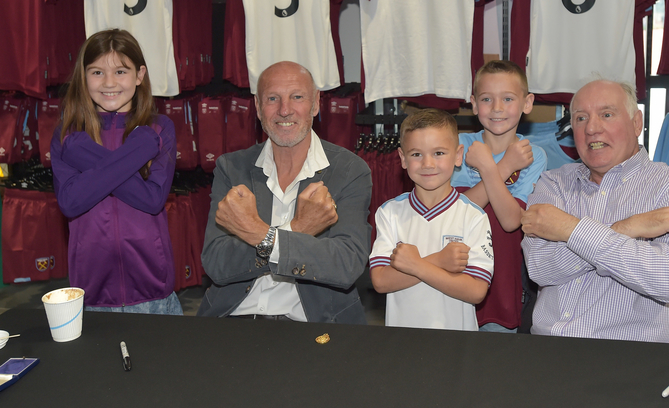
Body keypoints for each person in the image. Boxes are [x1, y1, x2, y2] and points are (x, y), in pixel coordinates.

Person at [521, 78, 669, 344]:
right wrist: (627, 228)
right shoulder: (553, 183)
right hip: (548, 352)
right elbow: (540, 268)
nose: (592, 128)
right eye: (581, 118)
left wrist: (569, 229)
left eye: (607, 114)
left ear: (636, 123)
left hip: (640, 360)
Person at [197, 61, 372, 324]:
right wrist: (300, 228)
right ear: (257, 106)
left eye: (297, 97)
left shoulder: (349, 171)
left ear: (315, 104)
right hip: (234, 317)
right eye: (272, 98)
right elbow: (216, 262)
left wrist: (257, 234)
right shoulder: (231, 168)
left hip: (314, 324)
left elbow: (346, 265)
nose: (285, 110)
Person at [51, 29, 181, 314]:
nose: (109, 83)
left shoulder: (159, 129)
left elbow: (152, 199)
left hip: (153, 293)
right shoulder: (68, 134)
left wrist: (85, 155)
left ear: (139, 74)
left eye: (121, 71)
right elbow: (71, 202)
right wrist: (138, 151)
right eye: (97, 72)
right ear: (83, 77)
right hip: (91, 295)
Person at [369, 108, 493, 331]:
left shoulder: (473, 216)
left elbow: (476, 291)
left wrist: (415, 264)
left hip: (458, 344)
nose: (427, 164)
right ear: (402, 158)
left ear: (457, 156)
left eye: (438, 153)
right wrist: (438, 260)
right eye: (416, 154)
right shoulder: (389, 213)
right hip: (402, 344)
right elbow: (380, 281)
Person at [451, 60, 547, 333]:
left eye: (507, 98)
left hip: (503, 284)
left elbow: (510, 220)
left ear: (527, 103)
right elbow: (454, 214)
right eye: (486, 99)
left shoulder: (532, 155)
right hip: (454, 275)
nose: (497, 108)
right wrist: (504, 167)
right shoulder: (459, 145)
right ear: (473, 103)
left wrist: (490, 167)